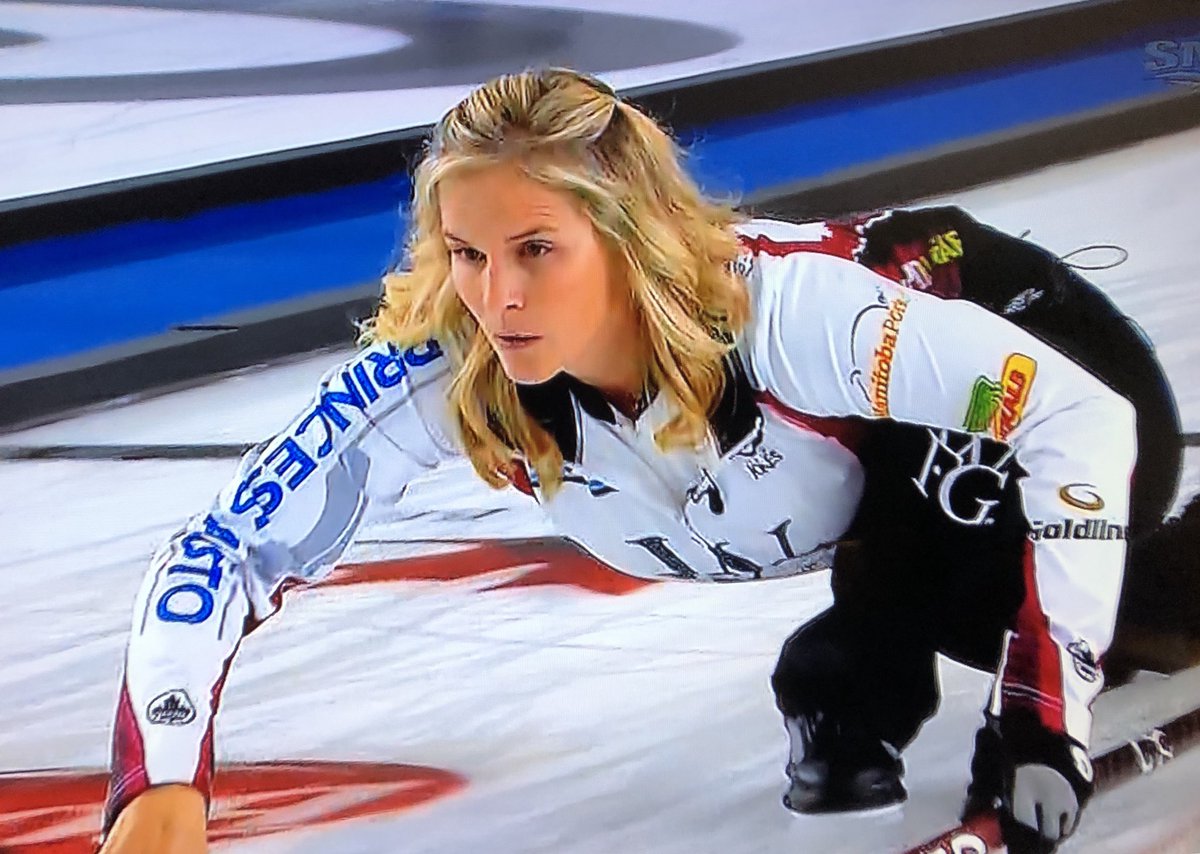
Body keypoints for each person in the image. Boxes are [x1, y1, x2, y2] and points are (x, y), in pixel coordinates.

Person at [97, 68, 1187, 854]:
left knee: (985, 594)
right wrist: (162, 787)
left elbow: (1073, 415)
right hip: (881, 481)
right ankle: (875, 666)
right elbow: (227, 544)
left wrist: (1042, 710)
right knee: (990, 589)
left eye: (537, 249)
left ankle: (859, 673)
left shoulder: (794, 319)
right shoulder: (456, 359)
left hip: (1018, 334)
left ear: (624, 236)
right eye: (467, 253)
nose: (498, 298)